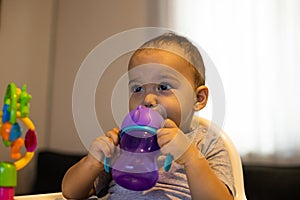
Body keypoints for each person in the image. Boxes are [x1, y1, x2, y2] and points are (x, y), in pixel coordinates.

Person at [62, 32, 235, 199]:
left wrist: (189, 158)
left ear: (198, 98)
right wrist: (92, 163)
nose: (147, 99)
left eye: (163, 87)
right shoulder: (125, 142)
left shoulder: (206, 144)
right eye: (137, 89)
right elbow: (71, 193)